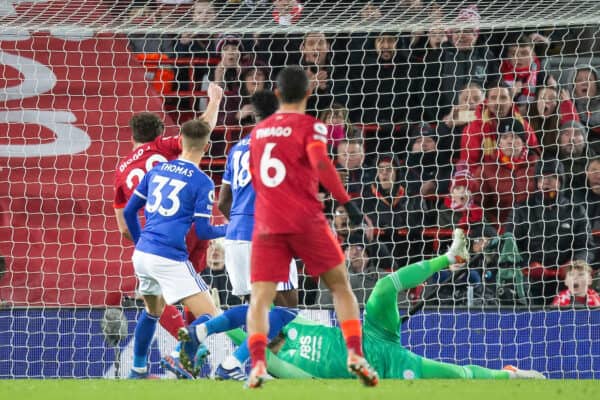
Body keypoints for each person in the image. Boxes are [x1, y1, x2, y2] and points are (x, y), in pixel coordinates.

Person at [183, 229, 545, 380]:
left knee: (385, 287)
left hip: (370, 334)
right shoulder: (278, 364)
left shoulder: (286, 320)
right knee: (457, 375)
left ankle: (451, 259)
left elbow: (237, 319)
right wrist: (210, 324)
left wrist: (213, 319)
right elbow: (234, 330)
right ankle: (512, 376)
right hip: (383, 366)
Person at [244, 66, 378, 388]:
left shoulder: (257, 133)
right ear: (308, 93)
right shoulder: (311, 126)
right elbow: (320, 161)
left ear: (276, 94)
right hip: (306, 220)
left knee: (261, 298)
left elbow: (255, 178)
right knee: (340, 286)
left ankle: (259, 364)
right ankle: (355, 354)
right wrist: (349, 205)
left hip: (267, 223)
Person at [113, 83, 223, 377]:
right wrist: (214, 100)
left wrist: (140, 239)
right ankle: (186, 352)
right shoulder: (166, 147)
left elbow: (123, 220)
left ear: (132, 136)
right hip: (181, 227)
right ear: (160, 134)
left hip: (150, 235)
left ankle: (138, 369)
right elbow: (200, 132)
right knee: (202, 300)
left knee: (154, 308)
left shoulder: (123, 168)